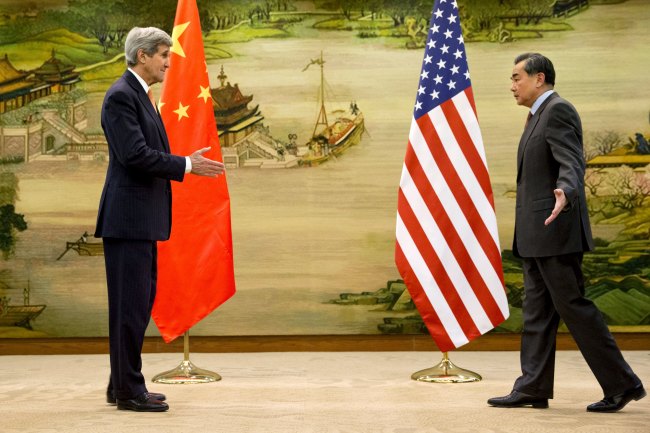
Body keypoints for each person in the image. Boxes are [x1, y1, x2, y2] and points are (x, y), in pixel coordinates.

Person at [488, 53, 645, 412]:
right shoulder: (535, 116)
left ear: (539, 78)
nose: (512, 86)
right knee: (537, 313)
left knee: (575, 308)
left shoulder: (558, 110)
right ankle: (532, 387)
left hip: (555, 231)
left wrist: (567, 191)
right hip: (535, 236)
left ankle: (623, 385)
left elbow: (571, 161)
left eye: (516, 78)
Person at [94, 27, 225, 412]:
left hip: (138, 220)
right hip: (128, 221)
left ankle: (121, 384)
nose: (169, 62)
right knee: (130, 308)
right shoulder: (121, 96)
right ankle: (130, 392)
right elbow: (135, 155)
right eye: (164, 55)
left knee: (134, 306)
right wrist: (187, 165)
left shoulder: (140, 95)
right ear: (142, 56)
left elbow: (145, 152)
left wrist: (184, 160)